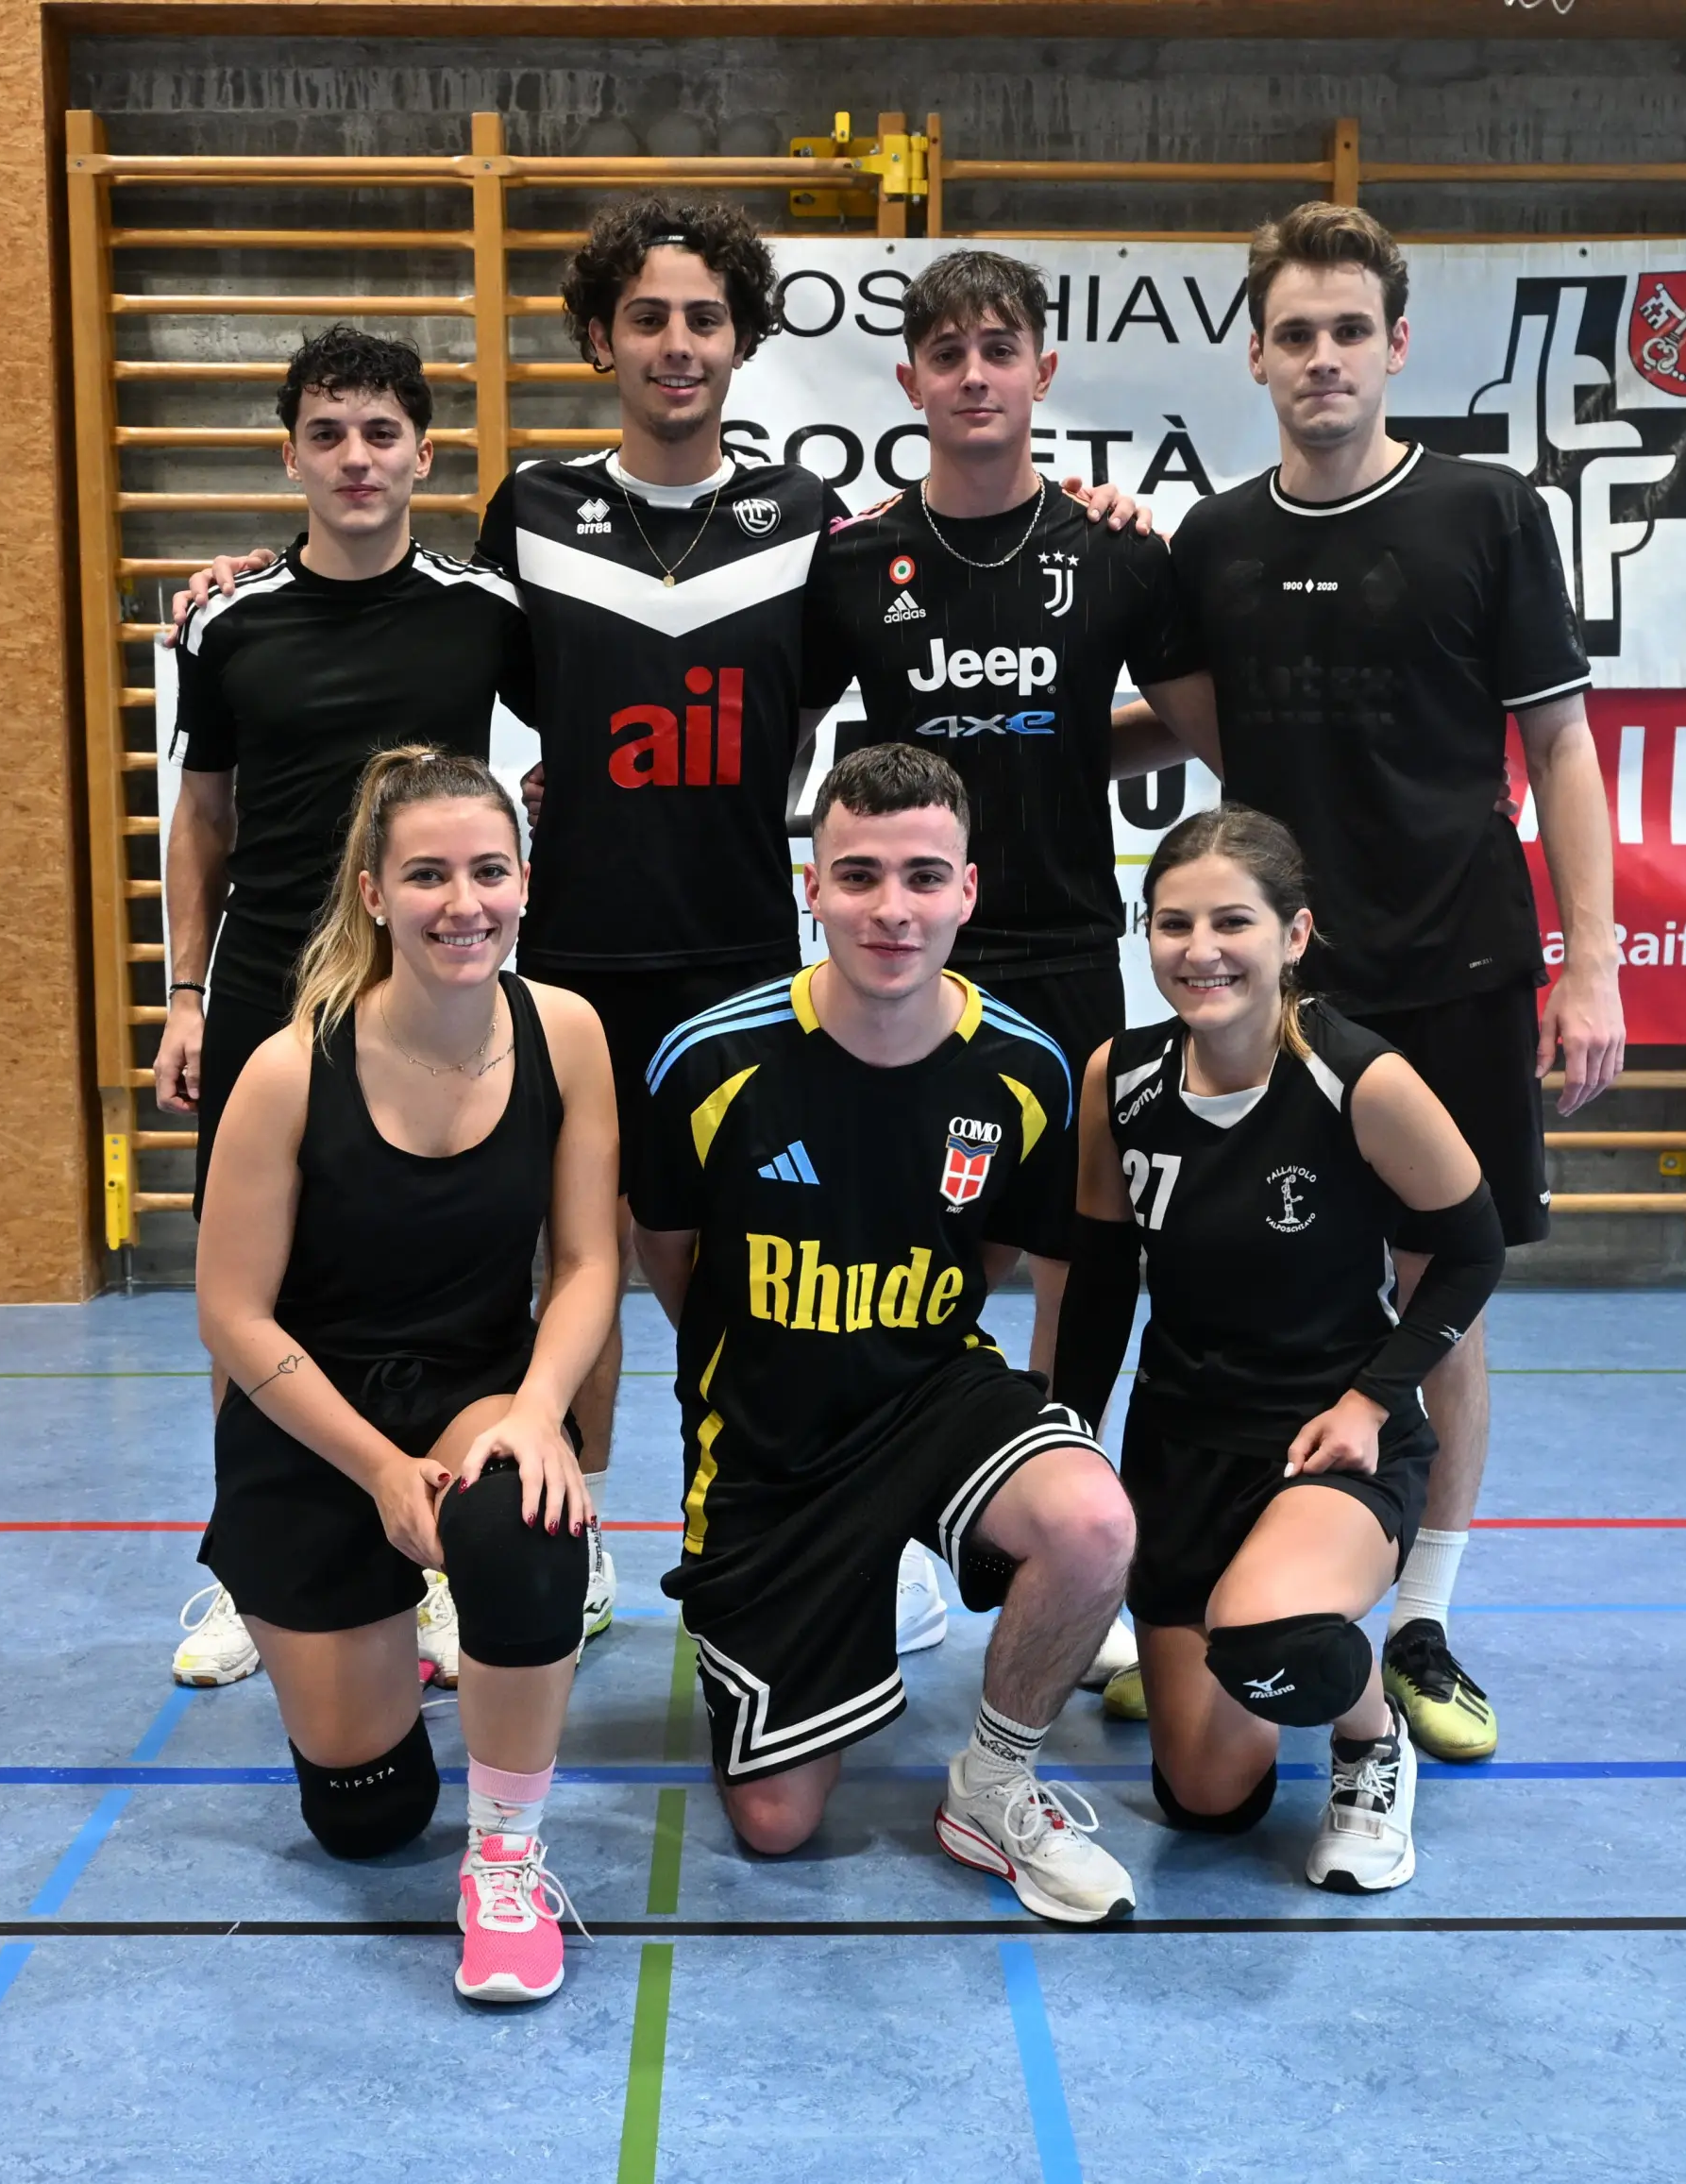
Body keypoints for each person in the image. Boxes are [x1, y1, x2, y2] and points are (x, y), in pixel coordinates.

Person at [172, 202, 1154, 1672]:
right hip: (566, 961)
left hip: (743, 954)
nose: (678, 346)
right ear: (600, 339)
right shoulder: (529, 516)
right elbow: (387, 612)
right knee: (547, 1259)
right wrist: (250, 581)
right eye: (648, 319)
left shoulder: (808, 530)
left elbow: (897, 656)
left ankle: (817, 1514)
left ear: (744, 340)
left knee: (778, 1263)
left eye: (705, 320)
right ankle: (541, 1530)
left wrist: (1095, 515)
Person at [1129, 201, 1627, 1759]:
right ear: (1258, 355)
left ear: (1396, 345)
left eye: (1352, 331)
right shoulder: (1213, 541)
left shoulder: (1485, 513)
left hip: (1463, 965)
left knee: (1440, 1295)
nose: (1324, 358)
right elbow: (1215, 730)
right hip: (1283, 995)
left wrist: (1590, 961)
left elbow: (1558, 744)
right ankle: (1199, 1587)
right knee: (1235, 1280)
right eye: (1296, 334)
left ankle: (1417, 1614)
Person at [631, 744, 1139, 1924]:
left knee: (1093, 1521)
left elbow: (996, 1254)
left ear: (969, 889)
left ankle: (995, 1780)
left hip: (931, 1394)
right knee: (777, 1826)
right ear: (812, 886)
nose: (891, 910)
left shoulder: (1024, 1068)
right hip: (768, 1443)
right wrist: (762, 1352)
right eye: (858, 876)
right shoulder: (709, 1059)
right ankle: (842, 1610)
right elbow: (667, 1253)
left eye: (923, 877)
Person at [803, 245, 1216, 1688]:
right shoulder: (854, 561)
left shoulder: (1115, 551)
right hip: (914, 960)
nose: (973, 373)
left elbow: (1201, 720)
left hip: (1059, 946)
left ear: (1043, 370)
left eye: (1000, 348)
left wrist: (1072, 744)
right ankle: (920, 1522)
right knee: (926, 1238)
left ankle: (1073, 1507)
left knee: (1077, 1243)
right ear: (909, 379)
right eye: (945, 351)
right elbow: (758, 726)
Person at [194, 744, 621, 2005]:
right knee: (368, 1819)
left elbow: (593, 1261)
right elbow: (228, 1309)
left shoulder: (567, 1033)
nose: (463, 902)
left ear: (526, 882)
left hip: (475, 1386)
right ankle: (403, 1634)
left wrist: (540, 1413)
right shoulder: (289, 1069)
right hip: (313, 1423)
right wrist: (381, 1473)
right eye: (427, 873)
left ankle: (505, 1855)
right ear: (373, 893)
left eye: (489, 870)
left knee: (526, 1519)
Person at [159, 325, 526, 1691]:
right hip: (270, 987)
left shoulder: (489, 613)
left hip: (429, 982)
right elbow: (201, 820)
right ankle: (242, 1565)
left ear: (424, 454)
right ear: (291, 456)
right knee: (249, 1285)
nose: (356, 459)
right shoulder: (226, 615)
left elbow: (577, 745)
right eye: (328, 434)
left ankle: (439, 1550)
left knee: (443, 1281)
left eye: (382, 434)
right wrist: (187, 994)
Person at [1051, 806, 1503, 1890]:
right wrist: (1066, 1426)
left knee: (1271, 1640)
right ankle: (1270, 1659)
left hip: (1323, 1440)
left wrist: (1371, 1400)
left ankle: (1367, 1740)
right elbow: (1105, 1274)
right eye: (1173, 923)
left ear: (1294, 937)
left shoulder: (1359, 1078)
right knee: (1206, 1801)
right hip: (1181, 1446)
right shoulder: (1120, 1078)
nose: (1200, 949)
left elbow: (1473, 1249)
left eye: (1232, 922)